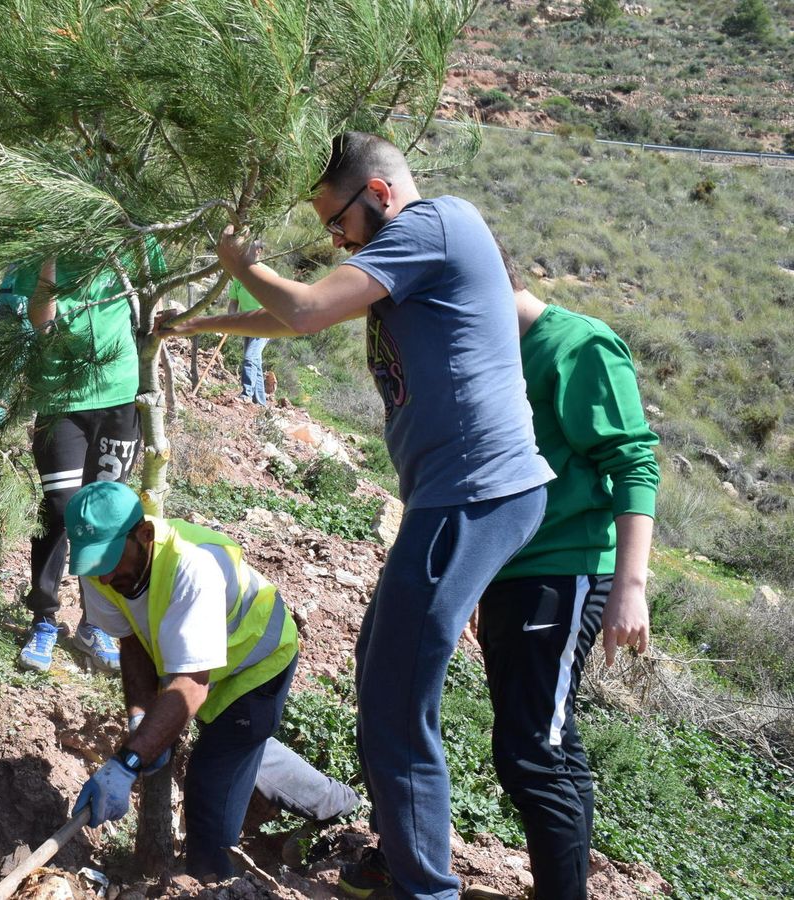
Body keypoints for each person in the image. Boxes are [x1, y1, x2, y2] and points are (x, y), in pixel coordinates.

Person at [159, 132, 553, 900]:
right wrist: (200, 326)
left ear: (376, 194)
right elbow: (292, 319)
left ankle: (423, 888)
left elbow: (304, 308)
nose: (334, 240)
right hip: (455, 498)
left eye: (336, 222)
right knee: (384, 679)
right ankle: (400, 857)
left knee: (395, 702)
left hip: (475, 492)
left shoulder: (431, 226)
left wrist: (241, 262)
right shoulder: (414, 248)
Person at [472, 247, 657, 900]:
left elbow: (633, 462)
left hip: (565, 569)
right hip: (512, 572)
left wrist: (629, 588)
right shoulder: (497, 353)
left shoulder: (579, 343)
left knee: (530, 753)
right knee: (546, 740)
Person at [66, 481, 301, 880]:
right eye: (94, 564)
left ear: (144, 535)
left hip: (255, 666)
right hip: (201, 667)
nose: (104, 579)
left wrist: (127, 763)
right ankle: (333, 801)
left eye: (110, 561)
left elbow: (192, 684)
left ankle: (215, 883)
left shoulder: (194, 567)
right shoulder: (99, 571)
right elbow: (132, 643)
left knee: (210, 794)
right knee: (234, 750)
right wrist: (141, 722)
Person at [11, 256, 146, 674]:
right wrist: (49, 257)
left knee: (107, 517)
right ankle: (45, 619)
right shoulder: (42, 241)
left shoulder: (132, 239)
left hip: (121, 395)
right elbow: (40, 322)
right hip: (61, 400)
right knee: (60, 510)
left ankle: (95, 623)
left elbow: (148, 301)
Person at [229, 279, 269, 405]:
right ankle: (260, 403)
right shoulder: (237, 280)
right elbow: (233, 302)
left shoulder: (263, 275)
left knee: (250, 358)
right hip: (246, 324)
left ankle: (247, 394)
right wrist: (231, 319)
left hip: (264, 324)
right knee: (255, 362)